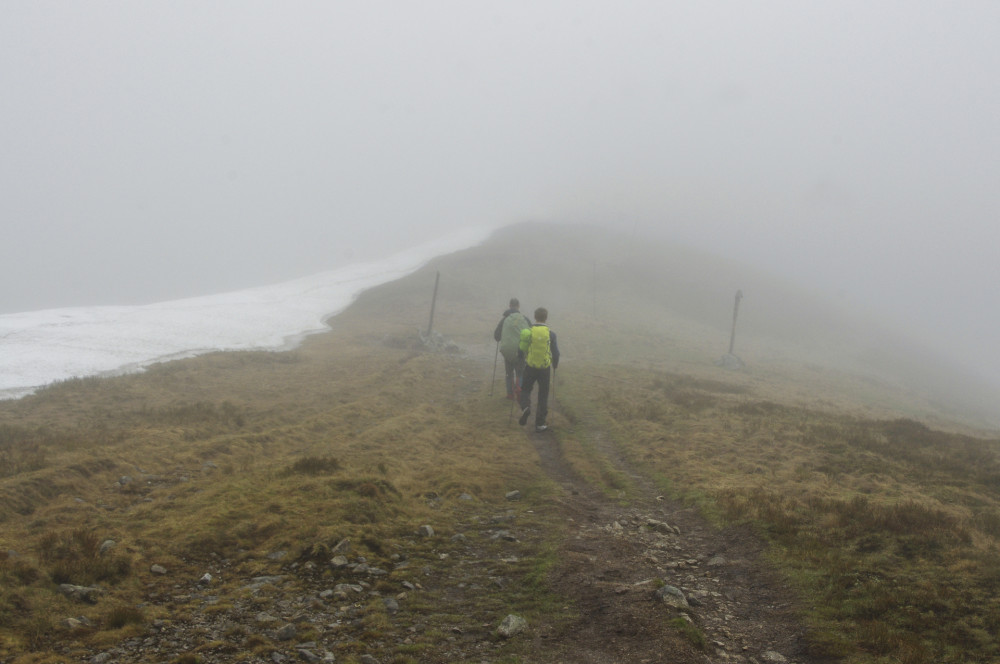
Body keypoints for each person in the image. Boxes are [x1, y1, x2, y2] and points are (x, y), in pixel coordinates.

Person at [517, 307, 560, 432]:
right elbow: (556, 353)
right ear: (545, 318)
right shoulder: (551, 334)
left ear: (535, 317)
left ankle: (526, 407)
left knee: (525, 390)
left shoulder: (529, 331)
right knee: (543, 395)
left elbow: (521, 350)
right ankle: (540, 424)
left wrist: (520, 359)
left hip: (530, 367)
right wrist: (555, 365)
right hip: (544, 369)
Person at [493, 298, 531, 399]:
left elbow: (496, 336)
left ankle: (510, 394)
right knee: (520, 372)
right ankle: (519, 389)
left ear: (510, 305)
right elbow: (531, 333)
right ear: (518, 306)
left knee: (509, 373)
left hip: (508, 351)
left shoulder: (504, 319)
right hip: (521, 350)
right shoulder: (524, 319)